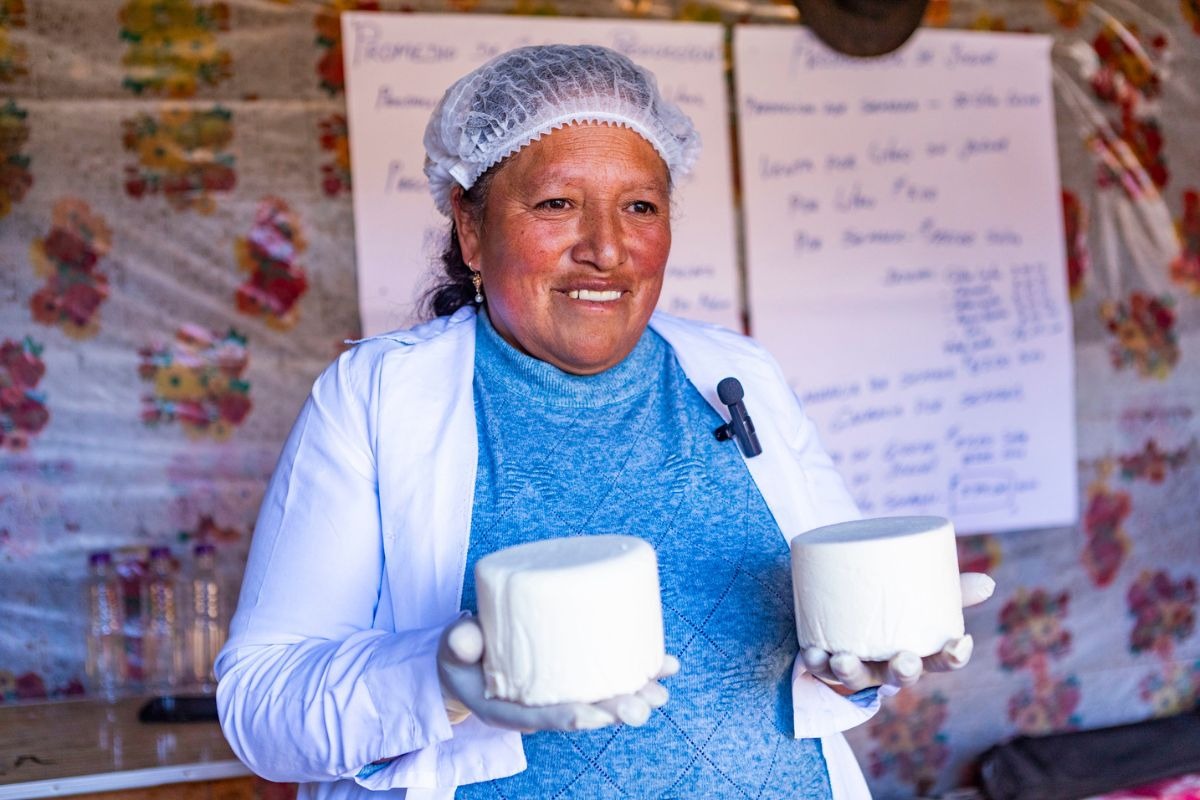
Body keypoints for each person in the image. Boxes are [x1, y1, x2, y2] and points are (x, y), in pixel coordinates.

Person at [215, 43, 993, 800]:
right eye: (557, 203)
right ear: (472, 229)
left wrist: (858, 667)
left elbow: (839, 625)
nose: (607, 249)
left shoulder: (738, 376)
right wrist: (444, 680)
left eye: (641, 207)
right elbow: (261, 707)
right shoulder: (377, 397)